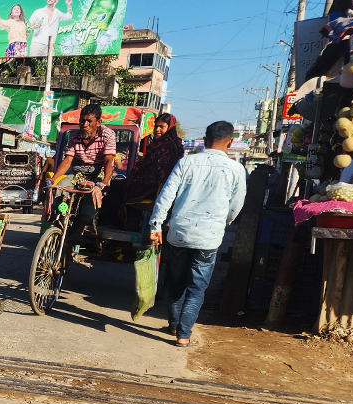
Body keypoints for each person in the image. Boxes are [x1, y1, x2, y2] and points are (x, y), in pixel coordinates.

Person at [149, 120, 246, 347]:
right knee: (197, 288)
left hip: (178, 234)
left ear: (204, 140)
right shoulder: (236, 169)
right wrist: (225, 222)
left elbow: (166, 196)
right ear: (230, 142)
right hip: (209, 238)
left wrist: (156, 226)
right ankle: (183, 335)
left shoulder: (186, 162)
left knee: (176, 282)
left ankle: (173, 324)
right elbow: (236, 205)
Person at [100, 113, 184, 226]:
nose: (157, 130)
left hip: (152, 187)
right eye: (156, 126)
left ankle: (114, 225)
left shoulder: (164, 145)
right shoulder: (175, 144)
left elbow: (154, 170)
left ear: (169, 128)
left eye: (161, 127)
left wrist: (137, 177)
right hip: (161, 186)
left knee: (114, 187)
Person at [50, 103, 116, 227]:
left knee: (93, 192)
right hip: (78, 173)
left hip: (99, 172)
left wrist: (106, 181)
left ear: (98, 122)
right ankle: (60, 217)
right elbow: (67, 161)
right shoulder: (74, 136)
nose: (84, 125)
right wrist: (53, 179)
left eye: (89, 121)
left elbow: (108, 161)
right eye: (82, 121)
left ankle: (80, 228)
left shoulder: (108, 135)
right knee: (60, 187)